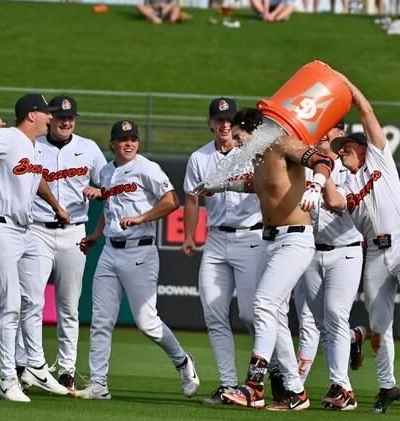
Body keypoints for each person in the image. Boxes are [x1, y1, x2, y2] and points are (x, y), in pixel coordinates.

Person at [196, 106, 336, 411]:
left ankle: (254, 386)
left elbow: (323, 160)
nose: (234, 143)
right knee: (274, 317)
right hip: (270, 240)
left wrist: (316, 184)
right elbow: (256, 186)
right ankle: (296, 393)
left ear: (252, 130)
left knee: (262, 304)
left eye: (238, 136)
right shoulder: (258, 157)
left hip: (295, 238)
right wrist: (218, 185)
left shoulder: (281, 142)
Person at [325, 72, 400, 413]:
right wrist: (323, 166)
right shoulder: (341, 182)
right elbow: (333, 204)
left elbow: (366, 110)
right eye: (338, 149)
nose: (341, 151)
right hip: (375, 251)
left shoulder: (379, 157)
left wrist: (346, 85)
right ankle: (387, 386)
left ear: (361, 146)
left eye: (345, 147)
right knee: (379, 326)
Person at [77, 120, 200, 400]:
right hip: (110, 250)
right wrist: (96, 234)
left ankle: (182, 360)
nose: (129, 143)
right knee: (100, 320)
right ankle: (98, 384)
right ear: (112, 144)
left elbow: (172, 201)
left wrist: (141, 218)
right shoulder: (107, 171)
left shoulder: (146, 168)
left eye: (133, 138)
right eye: (123, 139)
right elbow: (109, 211)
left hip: (140, 251)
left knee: (146, 322)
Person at [0, 94, 71, 402]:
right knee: (11, 303)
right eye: (46, 113)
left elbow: (36, 179)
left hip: (23, 230)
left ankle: (35, 366)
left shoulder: (33, 146)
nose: (51, 117)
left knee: (34, 298)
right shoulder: (8, 137)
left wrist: (56, 206)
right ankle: (6, 379)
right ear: (31, 115)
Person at [13, 95, 106, 393]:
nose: (66, 121)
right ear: (49, 117)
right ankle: (23, 366)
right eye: (60, 116)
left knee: (69, 305)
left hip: (74, 231)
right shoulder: (34, 145)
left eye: (71, 117)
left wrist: (99, 188)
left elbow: (110, 183)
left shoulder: (88, 148)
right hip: (36, 230)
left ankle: (66, 369)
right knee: (30, 301)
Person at [182, 97, 264, 405]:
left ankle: (268, 374)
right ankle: (228, 383)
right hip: (216, 239)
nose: (224, 124)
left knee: (249, 312)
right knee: (214, 312)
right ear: (210, 123)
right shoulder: (199, 157)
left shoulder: (252, 151)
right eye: (219, 119)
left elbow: (266, 186)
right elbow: (191, 198)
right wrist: (190, 235)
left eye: (229, 119)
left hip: (250, 236)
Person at [300, 118, 366, 410]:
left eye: (333, 129)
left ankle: (343, 388)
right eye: (322, 128)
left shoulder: (352, 168)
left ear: (341, 134)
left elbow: (339, 204)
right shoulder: (305, 164)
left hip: (346, 250)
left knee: (335, 315)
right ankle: (352, 341)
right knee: (320, 322)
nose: (325, 133)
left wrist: (321, 177)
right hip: (312, 251)